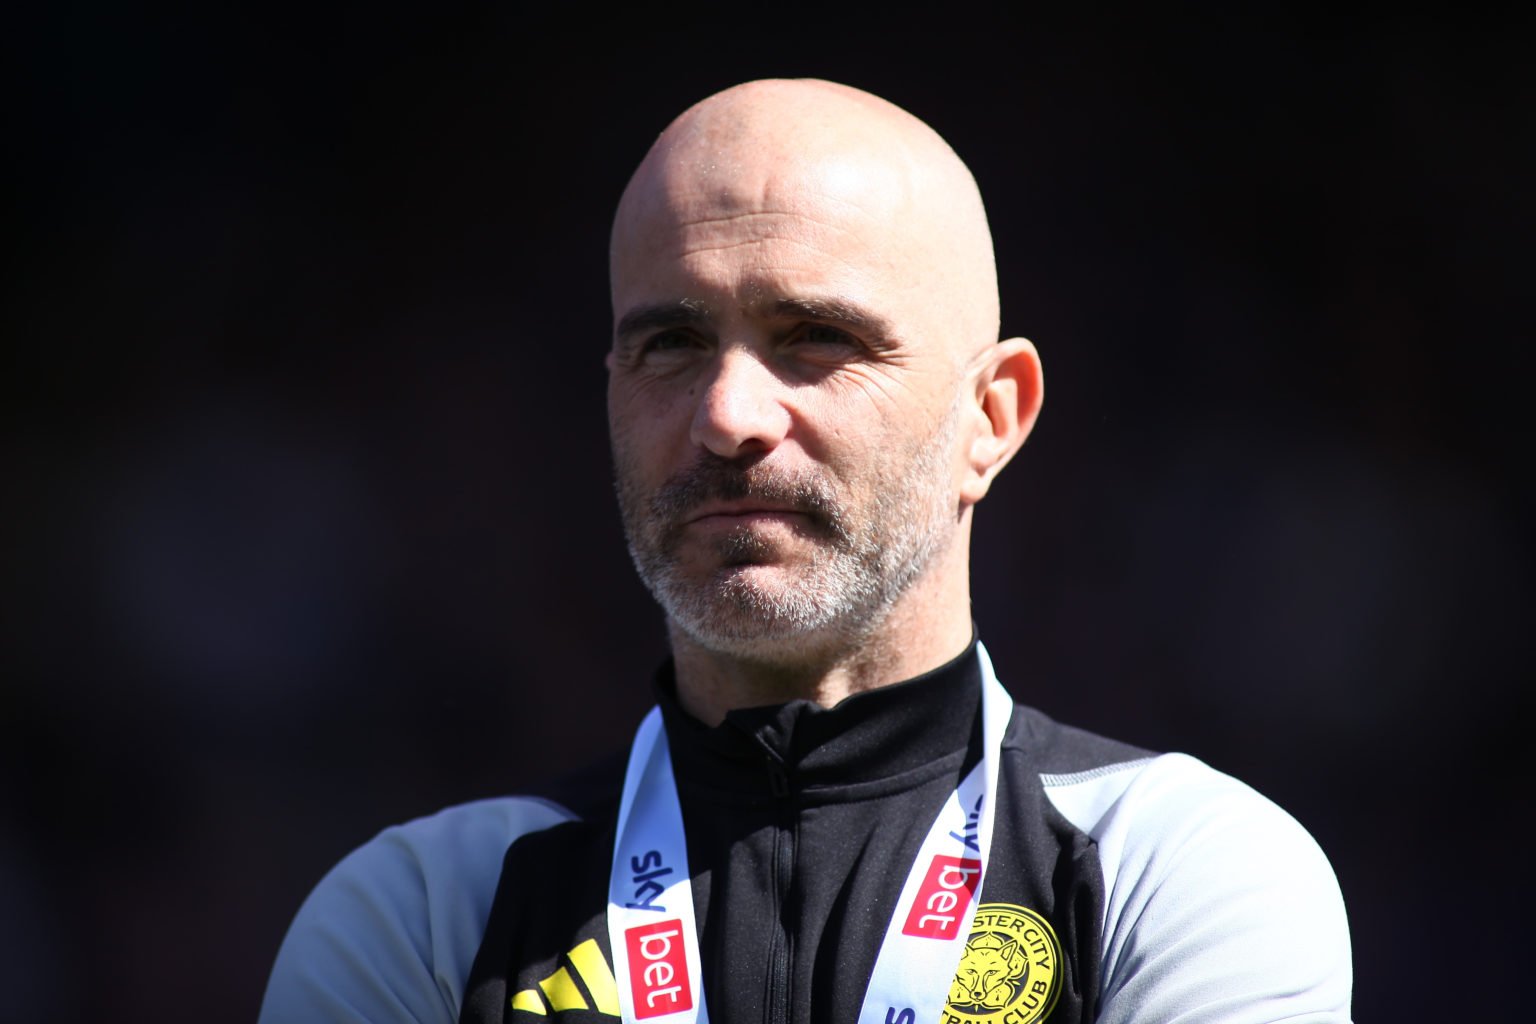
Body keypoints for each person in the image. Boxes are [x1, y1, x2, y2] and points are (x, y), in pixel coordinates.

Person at [259, 79, 1352, 1024]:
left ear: (993, 417)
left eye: (816, 338)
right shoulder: (422, 914)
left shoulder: (1183, 872)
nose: (728, 413)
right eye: (672, 344)